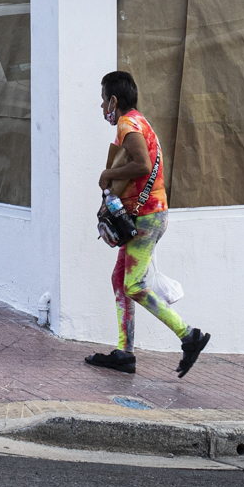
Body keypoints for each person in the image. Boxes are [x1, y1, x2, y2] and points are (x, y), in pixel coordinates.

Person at [87, 71, 210, 377]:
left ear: (114, 100)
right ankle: (124, 353)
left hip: (147, 216)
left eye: (104, 99)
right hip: (148, 214)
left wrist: (108, 176)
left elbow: (141, 163)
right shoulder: (139, 121)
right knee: (120, 279)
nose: (103, 106)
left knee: (132, 284)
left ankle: (188, 335)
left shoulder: (128, 123)